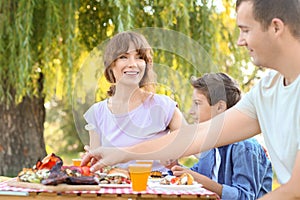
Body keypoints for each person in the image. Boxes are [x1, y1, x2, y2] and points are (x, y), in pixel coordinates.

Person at [81, 0, 300, 198]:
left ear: (276, 27)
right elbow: (196, 135)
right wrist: (119, 154)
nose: (240, 41)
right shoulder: (267, 89)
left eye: (245, 30)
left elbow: (294, 191)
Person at [83, 31, 183, 172]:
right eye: (124, 57)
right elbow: (98, 167)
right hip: (117, 189)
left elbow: (190, 141)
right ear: (111, 65)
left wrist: (172, 152)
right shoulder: (97, 113)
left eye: (139, 57)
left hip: (158, 189)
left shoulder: (164, 105)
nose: (133, 64)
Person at [171, 73, 272, 199]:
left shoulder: (245, 146)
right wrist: (174, 167)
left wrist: (201, 180)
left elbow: (245, 196)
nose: (191, 111)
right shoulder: (211, 143)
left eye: (197, 103)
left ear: (220, 107)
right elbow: (195, 173)